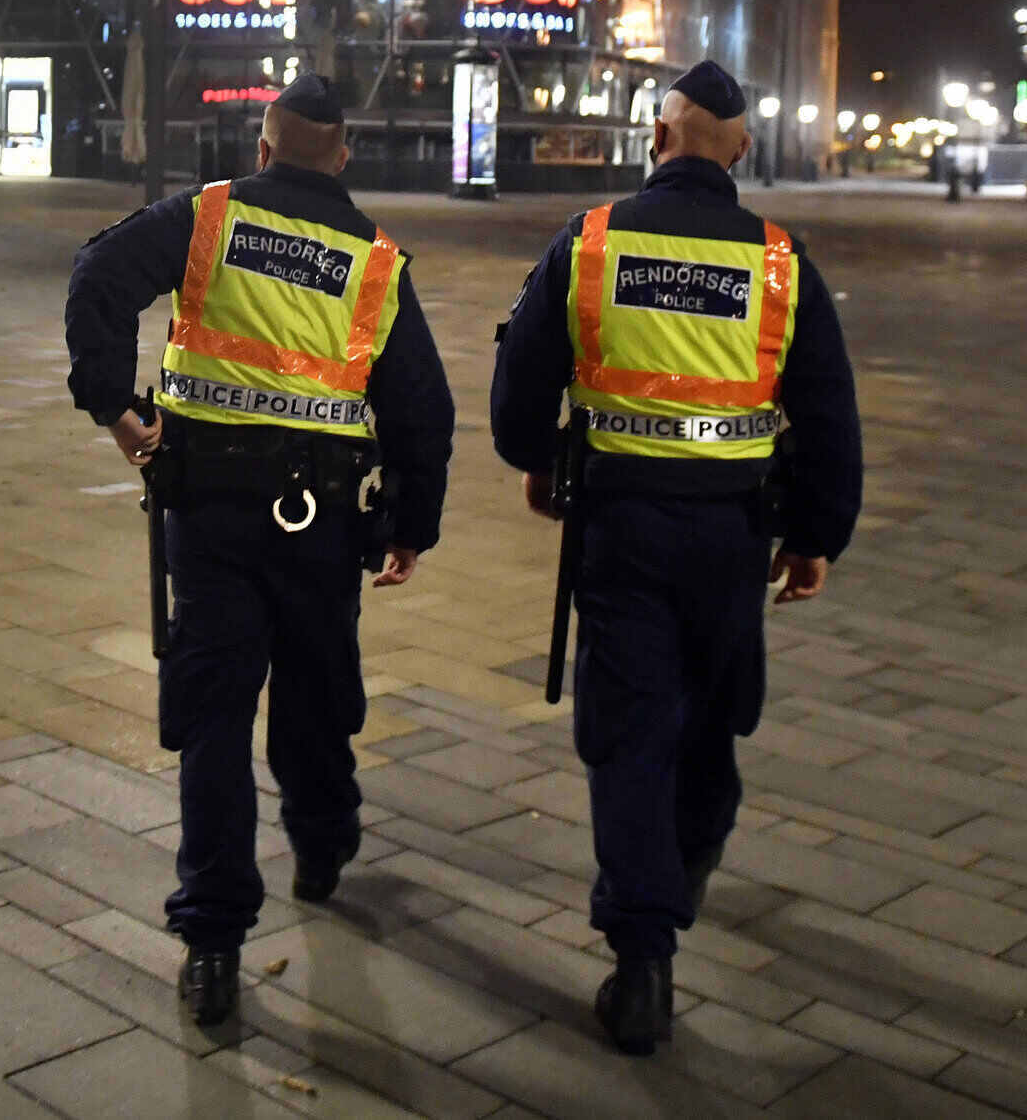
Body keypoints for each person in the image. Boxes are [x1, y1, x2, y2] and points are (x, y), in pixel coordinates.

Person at [63, 73, 455, 1027]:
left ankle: (211, 940)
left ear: (265, 144)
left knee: (212, 718)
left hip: (211, 512)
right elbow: (424, 409)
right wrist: (410, 523)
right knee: (318, 693)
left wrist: (116, 405)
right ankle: (321, 845)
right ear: (345, 154)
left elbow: (98, 278)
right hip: (321, 523)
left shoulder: (209, 219)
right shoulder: (375, 261)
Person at [489, 59, 862, 1056]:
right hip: (731, 536)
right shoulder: (781, 264)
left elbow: (521, 367)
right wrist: (816, 534)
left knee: (630, 732)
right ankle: (686, 864)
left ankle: (642, 957)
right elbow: (828, 409)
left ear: (657, 141)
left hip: (621, 530)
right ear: (741, 150)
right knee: (708, 727)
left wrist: (533, 459)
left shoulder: (594, 240)